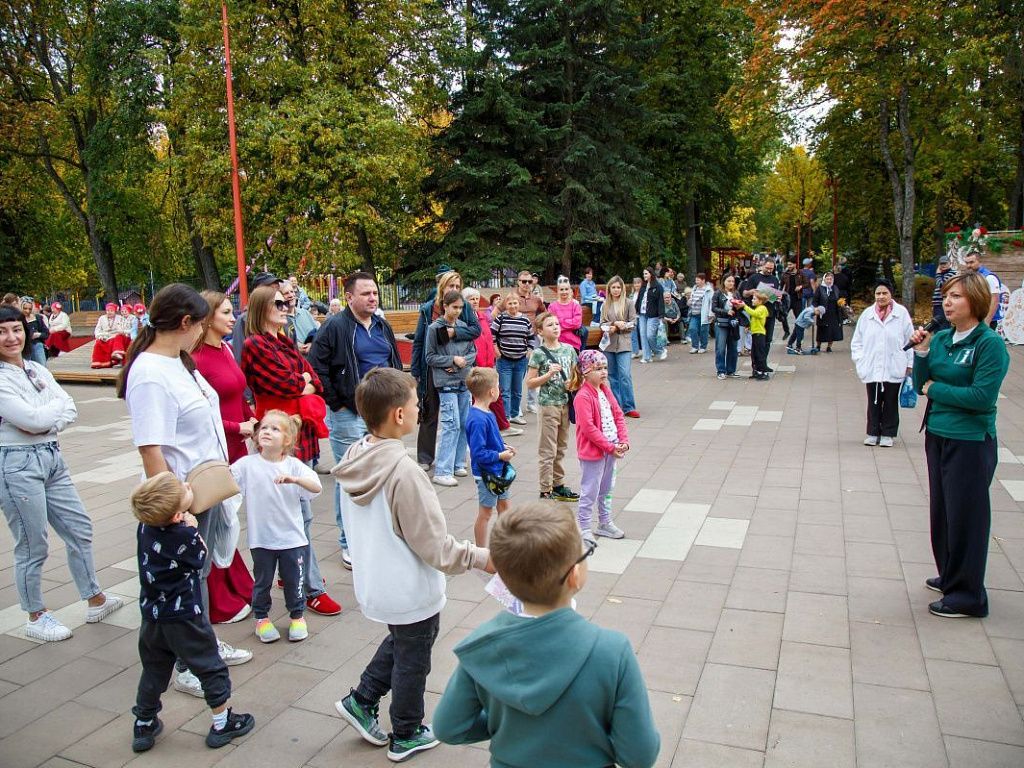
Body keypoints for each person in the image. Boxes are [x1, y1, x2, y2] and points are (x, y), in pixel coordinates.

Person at [332, 368, 492, 763]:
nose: (421, 409)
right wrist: (482, 558)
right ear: (399, 415)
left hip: (378, 581)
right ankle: (406, 731)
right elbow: (435, 546)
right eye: (417, 403)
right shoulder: (404, 473)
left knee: (405, 641)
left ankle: (362, 699)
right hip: (409, 586)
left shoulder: (355, 456)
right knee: (413, 658)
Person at [433, 502, 660, 768]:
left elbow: (449, 727)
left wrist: (502, 726)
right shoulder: (612, 652)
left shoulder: (482, 646)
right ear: (574, 575)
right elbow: (640, 755)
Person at [117, 284, 252, 697]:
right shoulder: (150, 373)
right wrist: (174, 511)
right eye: (201, 323)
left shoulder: (178, 360)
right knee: (184, 583)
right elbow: (151, 449)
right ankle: (189, 663)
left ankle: (202, 646)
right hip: (182, 496)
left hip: (201, 489)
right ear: (186, 322)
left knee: (200, 574)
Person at [0, 305, 123, 642]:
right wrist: (45, 417)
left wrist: (44, 419)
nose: (11, 337)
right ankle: (36, 614)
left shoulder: (36, 369)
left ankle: (94, 597)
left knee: (79, 528)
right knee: (32, 543)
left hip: (52, 458)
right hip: (16, 464)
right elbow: (33, 420)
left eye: (16, 329)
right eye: (2, 331)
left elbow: (68, 407)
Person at [128, 472, 255, 753]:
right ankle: (222, 723)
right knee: (210, 667)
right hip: (185, 617)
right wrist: (194, 529)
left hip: (152, 617)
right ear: (177, 515)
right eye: (183, 489)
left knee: (154, 670)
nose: (188, 485)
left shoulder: (145, 527)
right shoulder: (183, 534)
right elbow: (200, 559)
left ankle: (144, 722)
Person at [909, 272, 1010, 617]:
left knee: (967, 515)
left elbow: (981, 397)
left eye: (956, 297)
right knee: (943, 511)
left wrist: (936, 389)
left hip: (970, 441)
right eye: (946, 296)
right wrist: (922, 353)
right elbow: (920, 384)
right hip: (938, 434)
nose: (947, 303)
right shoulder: (941, 339)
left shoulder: (988, 344)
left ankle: (968, 595)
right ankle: (951, 575)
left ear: (976, 301)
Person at [241, 285, 341, 616]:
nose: (286, 307)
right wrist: (302, 382)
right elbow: (287, 383)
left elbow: (314, 379)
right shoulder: (255, 345)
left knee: (300, 510)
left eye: (287, 302)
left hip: (299, 432)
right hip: (278, 437)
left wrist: (303, 381)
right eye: (279, 303)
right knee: (299, 515)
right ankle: (310, 587)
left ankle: (292, 573)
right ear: (262, 308)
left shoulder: (284, 341)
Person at [311, 272, 403, 570]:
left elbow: (394, 364)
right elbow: (316, 367)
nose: (373, 298)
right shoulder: (335, 327)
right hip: (349, 414)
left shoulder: (382, 326)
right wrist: (337, 403)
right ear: (349, 297)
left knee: (383, 474)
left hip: (384, 413)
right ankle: (348, 542)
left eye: (374, 292)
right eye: (366, 294)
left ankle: (378, 535)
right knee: (351, 477)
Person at [192, 291, 257, 625]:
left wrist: (252, 419)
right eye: (227, 313)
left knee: (229, 519)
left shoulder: (226, 349)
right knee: (216, 521)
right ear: (207, 317)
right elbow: (203, 415)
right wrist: (238, 426)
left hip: (237, 446)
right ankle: (216, 595)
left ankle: (235, 581)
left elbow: (237, 396)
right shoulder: (196, 358)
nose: (234, 318)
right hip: (217, 450)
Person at [231, 410, 322, 643]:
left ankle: (297, 616)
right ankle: (261, 618)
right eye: (264, 427)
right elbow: (227, 483)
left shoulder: (294, 466)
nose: (267, 432)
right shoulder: (247, 465)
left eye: (275, 429)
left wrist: (295, 480)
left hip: (292, 539)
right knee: (262, 581)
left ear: (287, 440)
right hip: (261, 539)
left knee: (294, 580)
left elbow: (316, 487)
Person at [411, 271, 481, 471]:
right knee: (429, 411)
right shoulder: (428, 309)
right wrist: (416, 370)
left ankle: (457, 461)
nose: (455, 289)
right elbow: (419, 341)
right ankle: (425, 457)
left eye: (458, 286)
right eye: (451, 286)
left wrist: (454, 332)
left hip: (458, 368)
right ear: (442, 287)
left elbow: (475, 330)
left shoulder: (463, 307)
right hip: (432, 367)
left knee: (458, 419)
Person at [850, 279, 914, 447]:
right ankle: (872, 432)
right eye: (878, 293)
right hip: (872, 365)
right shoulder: (867, 315)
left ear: (891, 294)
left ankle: (888, 433)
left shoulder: (901, 314)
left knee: (891, 401)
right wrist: (860, 359)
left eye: (884, 293)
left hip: (894, 364)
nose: (881, 296)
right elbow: (857, 341)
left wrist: (910, 364)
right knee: (874, 400)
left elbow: (910, 340)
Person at [573, 350, 628, 541]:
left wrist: (623, 441)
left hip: (611, 449)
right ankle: (584, 527)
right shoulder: (582, 397)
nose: (603, 372)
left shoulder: (605, 390)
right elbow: (588, 428)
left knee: (607, 488)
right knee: (590, 490)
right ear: (586, 372)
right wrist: (610, 447)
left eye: (605, 367)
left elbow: (618, 415)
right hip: (594, 452)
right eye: (598, 368)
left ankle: (604, 522)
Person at [425, 290, 477, 487]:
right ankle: (442, 470)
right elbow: (429, 357)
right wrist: (452, 360)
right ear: (445, 306)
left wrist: (460, 362)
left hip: (464, 380)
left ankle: (458, 463)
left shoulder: (463, 327)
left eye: (461, 308)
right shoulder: (434, 328)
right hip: (446, 383)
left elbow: (472, 352)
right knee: (451, 424)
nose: (458, 311)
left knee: (463, 423)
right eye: (454, 307)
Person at [527, 312, 580, 502]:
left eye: (557, 323)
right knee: (547, 449)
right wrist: (548, 375)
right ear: (540, 331)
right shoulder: (538, 353)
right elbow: (530, 383)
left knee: (561, 448)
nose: (555, 327)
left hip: (565, 404)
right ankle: (545, 489)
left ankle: (558, 485)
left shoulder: (569, 350)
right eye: (550, 325)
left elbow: (577, 376)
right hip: (548, 405)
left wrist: (572, 384)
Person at [465, 367, 516, 546]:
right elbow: (478, 453)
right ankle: (480, 550)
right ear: (491, 392)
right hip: (487, 474)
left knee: (504, 507)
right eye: (498, 386)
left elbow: (491, 440)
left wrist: (503, 446)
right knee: (485, 513)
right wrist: (500, 455)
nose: (499, 389)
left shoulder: (487, 412)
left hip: (497, 470)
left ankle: (505, 545)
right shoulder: (478, 419)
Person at [463, 287, 520, 437]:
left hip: (488, 363)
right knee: (479, 397)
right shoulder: (464, 319)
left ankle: (502, 426)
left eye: (477, 298)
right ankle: (490, 428)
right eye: (471, 299)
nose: (475, 301)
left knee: (495, 394)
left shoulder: (481, 316)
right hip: (476, 364)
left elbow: (487, 339)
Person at [491, 293, 535, 428]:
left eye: (515, 303)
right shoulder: (500, 318)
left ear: (519, 304)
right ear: (505, 305)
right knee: (505, 390)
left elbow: (531, 337)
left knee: (517, 390)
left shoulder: (525, 320)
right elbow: (492, 335)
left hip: (521, 360)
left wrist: (529, 350)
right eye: (510, 303)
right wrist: (496, 350)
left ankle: (515, 414)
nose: (513, 306)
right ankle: (506, 416)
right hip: (504, 359)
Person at [600, 276, 639, 418]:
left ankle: (629, 406)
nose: (616, 290)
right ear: (609, 289)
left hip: (624, 343)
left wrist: (623, 325)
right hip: (609, 344)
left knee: (625, 375)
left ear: (622, 289)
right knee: (612, 376)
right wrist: (612, 325)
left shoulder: (629, 303)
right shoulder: (605, 304)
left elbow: (633, 323)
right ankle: (617, 406)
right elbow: (602, 324)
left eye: (618, 287)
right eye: (613, 287)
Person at [512, 270, 546, 415]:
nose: (527, 284)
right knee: (519, 373)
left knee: (534, 370)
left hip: (533, 338)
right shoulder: (512, 297)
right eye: (523, 281)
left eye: (529, 281)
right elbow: (495, 313)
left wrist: (540, 329)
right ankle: (516, 406)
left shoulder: (536, 299)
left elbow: (544, 314)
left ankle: (531, 403)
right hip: (516, 339)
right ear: (518, 282)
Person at [742, 259, 781, 368]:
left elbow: (776, 295)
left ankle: (763, 364)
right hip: (757, 314)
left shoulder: (775, 279)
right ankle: (756, 365)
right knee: (758, 341)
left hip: (770, 313)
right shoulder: (754, 278)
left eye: (771, 269)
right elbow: (744, 293)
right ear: (762, 266)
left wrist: (778, 297)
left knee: (768, 340)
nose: (769, 270)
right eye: (767, 268)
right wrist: (751, 292)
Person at [963, 248, 1008, 328]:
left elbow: (995, 300)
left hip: (986, 320)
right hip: (974, 318)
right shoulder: (971, 277)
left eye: (972, 262)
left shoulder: (989, 277)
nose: (968, 265)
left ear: (980, 262)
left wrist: (987, 321)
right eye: (967, 263)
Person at [711, 275, 741, 379]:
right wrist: (726, 311)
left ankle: (731, 370)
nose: (731, 283)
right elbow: (714, 308)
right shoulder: (718, 293)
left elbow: (741, 306)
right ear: (724, 281)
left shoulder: (736, 293)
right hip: (721, 322)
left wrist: (739, 306)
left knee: (733, 348)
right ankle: (721, 370)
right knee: (721, 348)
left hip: (733, 323)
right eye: (729, 281)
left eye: (732, 281)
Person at [634, 266, 665, 363]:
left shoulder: (658, 287)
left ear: (651, 274)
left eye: (646, 273)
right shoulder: (643, 286)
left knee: (650, 335)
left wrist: (661, 316)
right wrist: (636, 311)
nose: (644, 275)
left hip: (653, 315)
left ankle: (660, 350)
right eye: (643, 274)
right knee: (643, 336)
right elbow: (639, 300)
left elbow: (661, 302)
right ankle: (647, 357)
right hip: (642, 314)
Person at [548, 276, 584, 353]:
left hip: (573, 344)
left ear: (570, 290)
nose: (564, 292)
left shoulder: (576, 305)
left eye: (566, 289)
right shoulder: (552, 306)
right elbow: (552, 324)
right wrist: (570, 322)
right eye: (561, 289)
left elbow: (577, 323)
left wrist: (560, 321)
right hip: (556, 343)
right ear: (557, 291)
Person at [812, 271, 844, 352]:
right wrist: (815, 308)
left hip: (834, 312)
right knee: (822, 330)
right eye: (827, 279)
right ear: (824, 279)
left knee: (832, 331)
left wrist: (841, 302)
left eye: (831, 279)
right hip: (823, 313)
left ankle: (829, 347)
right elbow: (815, 300)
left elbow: (839, 297)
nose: (829, 281)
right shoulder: (820, 288)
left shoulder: (835, 288)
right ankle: (818, 345)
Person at [741, 292, 770, 380]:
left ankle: (764, 372)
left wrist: (744, 306)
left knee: (760, 354)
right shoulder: (758, 308)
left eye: (754, 299)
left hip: (759, 334)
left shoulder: (762, 308)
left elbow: (754, 313)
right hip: (755, 334)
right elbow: (755, 320)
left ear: (760, 301)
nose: (752, 300)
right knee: (754, 354)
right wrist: (749, 326)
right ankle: (757, 371)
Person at [91, 302, 128, 369]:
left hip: (115, 335)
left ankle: (116, 357)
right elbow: (97, 330)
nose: (109, 312)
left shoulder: (120, 318)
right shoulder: (102, 318)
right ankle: (99, 363)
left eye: (111, 311)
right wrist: (100, 336)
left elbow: (123, 329)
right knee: (98, 342)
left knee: (118, 338)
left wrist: (118, 332)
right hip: (104, 336)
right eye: (108, 310)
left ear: (115, 311)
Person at [686, 273, 712, 354]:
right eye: (696, 280)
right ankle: (695, 346)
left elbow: (711, 302)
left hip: (704, 314)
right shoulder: (694, 289)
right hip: (694, 313)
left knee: (703, 331)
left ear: (703, 280)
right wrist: (689, 302)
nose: (696, 281)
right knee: (692, 329)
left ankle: (703, 347)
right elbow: (691, 299)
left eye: (698, 280)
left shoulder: (708, 290)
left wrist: (711, 314)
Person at [21, 298, 49, 365]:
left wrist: (38, 335)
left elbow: (46, 333)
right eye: (25, 308)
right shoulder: (18, 319)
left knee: (38, 346)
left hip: (36, 345)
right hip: (23, 347)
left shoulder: (37, 318)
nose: (27, 311)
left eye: (30, 309)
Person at [931, 255, 955, 332]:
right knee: (936, 325)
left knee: (943, 326)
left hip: (944, 303)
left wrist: (938, 274)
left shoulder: (952, 273)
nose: (943, 265)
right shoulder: (942, 274)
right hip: (937, 304)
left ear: (950, 263)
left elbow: (941, 285)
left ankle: (944, 339)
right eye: (941, 264)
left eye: (945, 263)